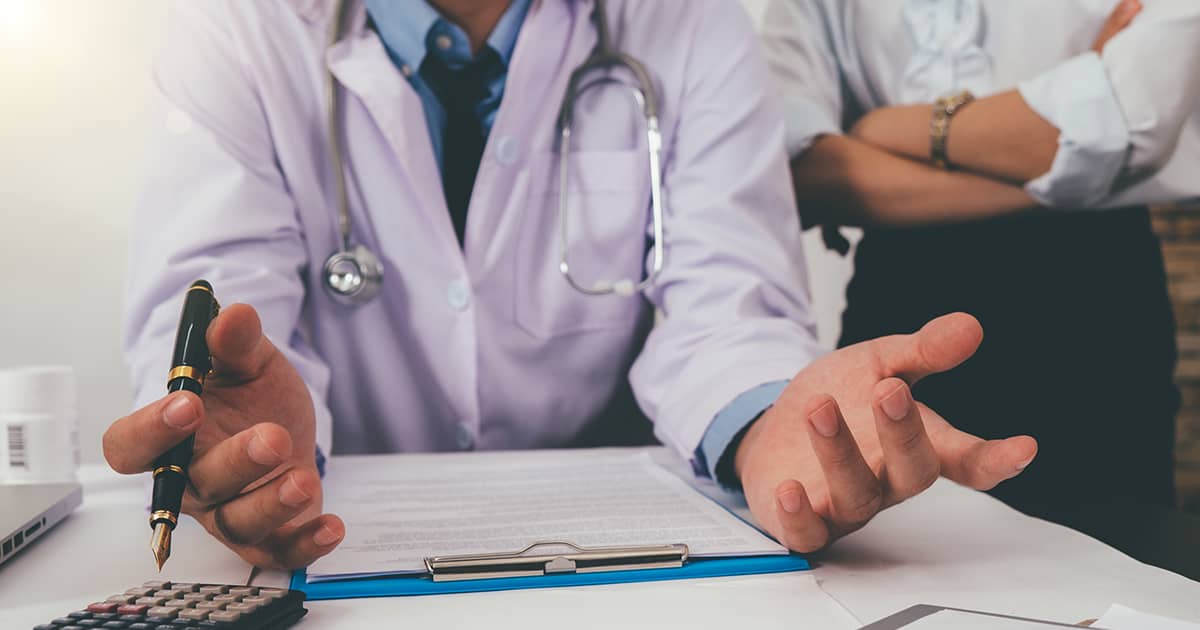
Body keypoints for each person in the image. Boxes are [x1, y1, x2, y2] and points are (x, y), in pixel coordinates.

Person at [103, 0, 1036, 569]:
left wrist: (767, 423)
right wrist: (244, 442)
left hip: (618, 567)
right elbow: (215, 309)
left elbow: (725, 302)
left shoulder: (688, 20)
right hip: (344, 558)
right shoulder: (239, 25)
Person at [763, 0, 1199, 517]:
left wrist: (879, 128)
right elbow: (805, 173)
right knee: (878, 557)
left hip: (1091, 294)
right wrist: (1067, 155)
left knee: (1114, 554)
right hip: (898, 296)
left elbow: (1128, 117)